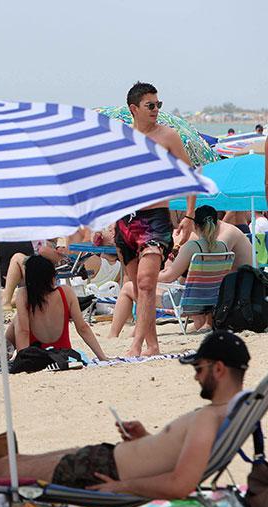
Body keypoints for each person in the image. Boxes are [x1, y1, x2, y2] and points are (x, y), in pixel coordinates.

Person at [0, 330, 250, 498]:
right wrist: (146, 438)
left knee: (1, 469)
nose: (196, 375)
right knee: (8, 461)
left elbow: (181, 484)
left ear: (218, 369)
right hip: (104, 460)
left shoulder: (209, 417)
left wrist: (119, 488)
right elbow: (177, 461)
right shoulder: (221, 414)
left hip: (102, 471)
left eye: (200, 368)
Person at [116, 82, 196, 357]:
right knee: (140, 289)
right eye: (150, 105)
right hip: (126, 219)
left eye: (158, 104)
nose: (156, 109)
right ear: (134, 109)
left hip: (155, 218)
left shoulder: (167, 136)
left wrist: (189, 215)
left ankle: (136, 345)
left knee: (147, 282)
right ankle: (153, 345)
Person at [110, 205, 237, 337]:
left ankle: (113, 335)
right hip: (209, 301)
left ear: (195, 225)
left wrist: (147, 275)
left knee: (128, 288)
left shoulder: (192, 247)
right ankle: (137, 330)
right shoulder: (223, 247)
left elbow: (169, 277)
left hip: (185, 302)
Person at [6, 255, 108, 360]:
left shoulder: (23, 294)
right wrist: (102, 357)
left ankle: (2, 353)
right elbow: (83, 328)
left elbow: (24, 331)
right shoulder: (66, 292)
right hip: (63, 354)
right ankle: (4, 352)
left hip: (37, 356)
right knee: (18, 319)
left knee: (17, 319)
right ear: (51, 276)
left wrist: (24, 360)